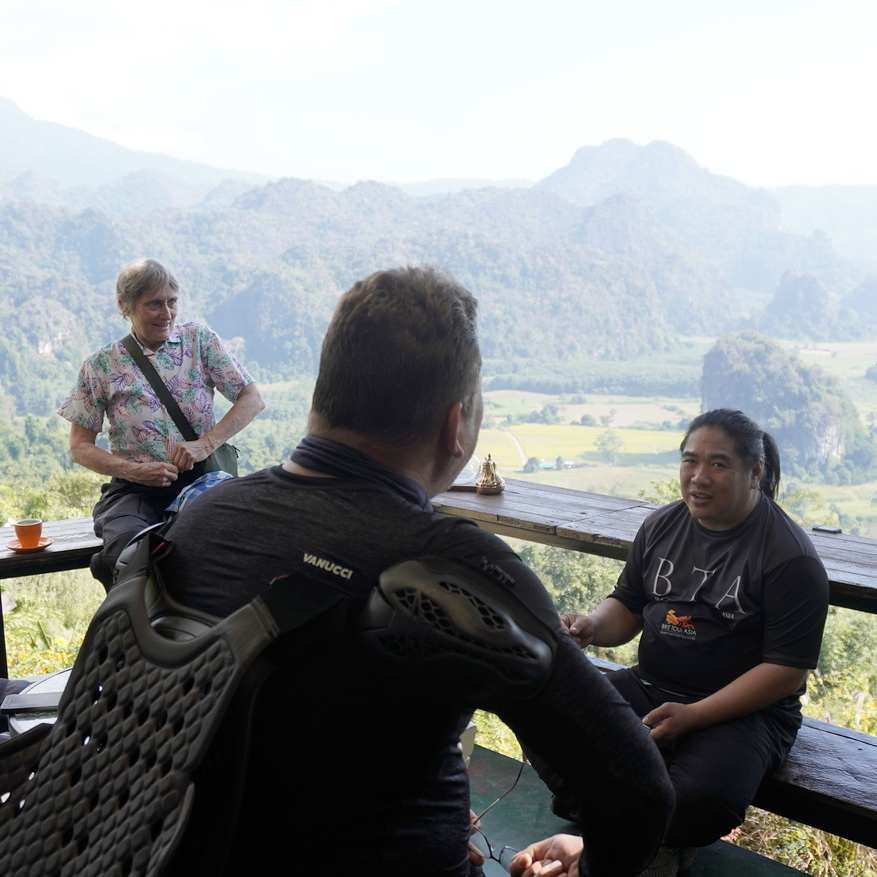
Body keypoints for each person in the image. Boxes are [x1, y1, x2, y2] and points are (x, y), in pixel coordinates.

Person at [158, 266, 674, 876]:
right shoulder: (456, 565)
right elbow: (638, 793)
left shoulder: (200, 517)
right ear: (455, 428)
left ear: (322, 399)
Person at [518, 409, 829, 877]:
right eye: (690, 461)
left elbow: (786, 673)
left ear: (756, 472)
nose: (699, 477)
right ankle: (622, 834)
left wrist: (695, 716)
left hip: (741, 712)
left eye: (719, 464)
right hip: (652, 685)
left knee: (701, 797)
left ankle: (611, 841)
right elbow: (628, 606)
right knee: (545, 713)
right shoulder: (662, 526)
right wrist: (590, 626)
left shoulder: (789, 557)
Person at [58, 258, 264, 590]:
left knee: (224, 546)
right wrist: (135, 471)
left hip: (203, 479)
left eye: (172, 302)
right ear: (126, 306)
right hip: (134, 489)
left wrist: (204, 444)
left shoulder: (198, 341)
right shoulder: (101, 366)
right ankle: (135, 632)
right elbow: (80, 448)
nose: (166, 313)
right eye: (154, 304)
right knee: (127, 553)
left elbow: (252, 397)